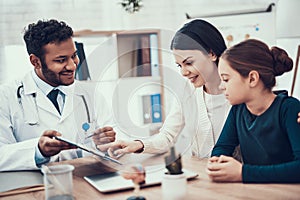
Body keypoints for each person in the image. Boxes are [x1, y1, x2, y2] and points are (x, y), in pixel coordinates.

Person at [100, 19, 231, 158]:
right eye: (180, 66)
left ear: (211, 54)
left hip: (239, 177)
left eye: (189, 63)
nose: (184, 72)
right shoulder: (187, 90)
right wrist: (139, 144)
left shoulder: (239, 91)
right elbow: (168, 136)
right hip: (203, 174)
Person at [0, 19, 116, 171]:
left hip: (84, 177)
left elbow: (112, 140)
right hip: (32, 185)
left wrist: (104, 143)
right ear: (36, 62)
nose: (72, 66)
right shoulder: (6, 97)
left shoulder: (89, 94)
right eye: (61, 60)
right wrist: (38, 150)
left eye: (74, 56)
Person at [206, 39, 300, 183]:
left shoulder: (289, 109)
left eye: (226, 79)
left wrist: (243, 173)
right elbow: (222, 147)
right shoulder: (238, 110)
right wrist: (217, 162)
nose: (221, 87)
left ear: (252, 78)